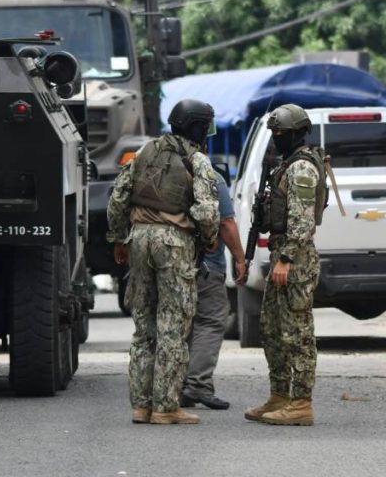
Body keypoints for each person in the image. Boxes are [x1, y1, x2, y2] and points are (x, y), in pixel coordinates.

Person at [106, 99, 219, 425]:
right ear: (198, 127)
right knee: (174, 324)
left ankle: (141, 406)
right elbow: (208, 212)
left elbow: (118, 197)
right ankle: (166, 407)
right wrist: (208, 238)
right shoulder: (197, 160)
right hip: (174, 242)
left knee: (144, 327)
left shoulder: (145, 152)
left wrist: (119, 238)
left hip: (139, 239)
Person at [244, 103, 327, 427]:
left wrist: (287, 259)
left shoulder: (302, 168)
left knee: (298, 333)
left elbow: (303, 221)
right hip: (281, 252)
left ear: (296, 133)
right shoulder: (287, 165)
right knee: (273, 329)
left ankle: (301, 402)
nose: (277, 138)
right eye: (274, 133)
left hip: (295, 257)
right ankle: (280, 394)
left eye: (281, 133)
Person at [180, 168, 247, 411]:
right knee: (210, 320)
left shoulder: (155, 169)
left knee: (176, 324)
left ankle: (174, 386)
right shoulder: (210, 177)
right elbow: (226, 223)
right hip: (205, 264)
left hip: (164, 264)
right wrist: (240, 259)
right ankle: (197, 385)